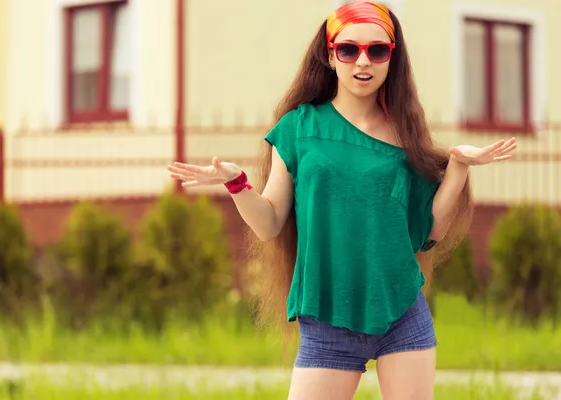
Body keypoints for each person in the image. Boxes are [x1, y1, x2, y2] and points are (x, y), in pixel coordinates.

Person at [167, 1, 517, 399]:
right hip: (327, 315)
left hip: (402, 313)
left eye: (377, 50)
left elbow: (428, 233)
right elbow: (268, 224)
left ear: (391, 58)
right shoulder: (299, 127)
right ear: (331, 55)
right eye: (349, 49)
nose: (362, 61)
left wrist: (457, 166)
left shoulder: (406, 136)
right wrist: (236, 183)